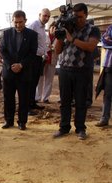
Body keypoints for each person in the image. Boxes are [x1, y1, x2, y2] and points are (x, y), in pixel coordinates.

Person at [53, 3, 100, 140]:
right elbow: (57, 50)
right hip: (65, 69)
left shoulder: (93, 29)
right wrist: (59, 36)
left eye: (80, 16)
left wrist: (72, 39)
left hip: (82, 70)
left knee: (81, 102)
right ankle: (64, 128)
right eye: (75, 16)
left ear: (86, 14)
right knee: (64, 101)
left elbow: (91, 47)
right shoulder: (68, 27)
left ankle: (80, 129)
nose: (77, 19)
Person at [0, 10, 38, 131]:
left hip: (24, 72)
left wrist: (21, 65)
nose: (18, 25)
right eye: (15, 22)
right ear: (12, 21)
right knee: (8, 98)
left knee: (24, 98)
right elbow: (3, 51)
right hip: (9, 71)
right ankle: (9, 120)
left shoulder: (32, 35)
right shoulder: (6, 34)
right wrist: (12, 65)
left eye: (20, 22)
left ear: (25, 21)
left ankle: (22, 121)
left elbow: (33, 54)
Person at [27, 8, 51, 114]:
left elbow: (42, 43)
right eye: (45, 15)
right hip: (33, 58)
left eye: (48, 16)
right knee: (30, 82)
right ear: (39, 15)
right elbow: (28, 41)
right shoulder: (34, 25)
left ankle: (32, 103)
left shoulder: (42, 27)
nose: (46, 18)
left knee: (35, 81)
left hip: (39, 59)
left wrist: (44, 53)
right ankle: (28, 106)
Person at [35, 22, 58, 104]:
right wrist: (50, 48)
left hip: (53, 60)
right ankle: (37, 97)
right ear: (50, 28)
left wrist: (51, 48)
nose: (54, 30)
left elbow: (58, 49)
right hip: (43, 60)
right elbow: (42, 46)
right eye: (53, 28)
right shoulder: (44, 35)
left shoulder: (59, 37)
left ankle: (45, 98)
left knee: (49, 80)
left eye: (56, 28)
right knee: (40, 79)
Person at [95, 24, 112, 127]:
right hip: (110, 66)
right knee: (107, 93)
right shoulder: (110, 28)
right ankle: (104, 118)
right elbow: (104, 41)